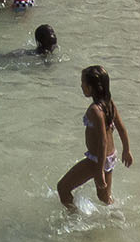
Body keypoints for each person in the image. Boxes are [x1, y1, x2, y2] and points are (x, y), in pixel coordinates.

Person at [56, 65, 133, 212]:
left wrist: (98, 172)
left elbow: (102, 141)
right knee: (104, 197)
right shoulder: (109, 104)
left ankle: (74, 219)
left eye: (83, 83)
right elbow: (122, 128)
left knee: (63, 188)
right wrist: (126, 150)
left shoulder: (94, 110)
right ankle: (118, 216)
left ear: (91, 88)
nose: (81, 86)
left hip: (96, 160)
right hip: (110, 157)